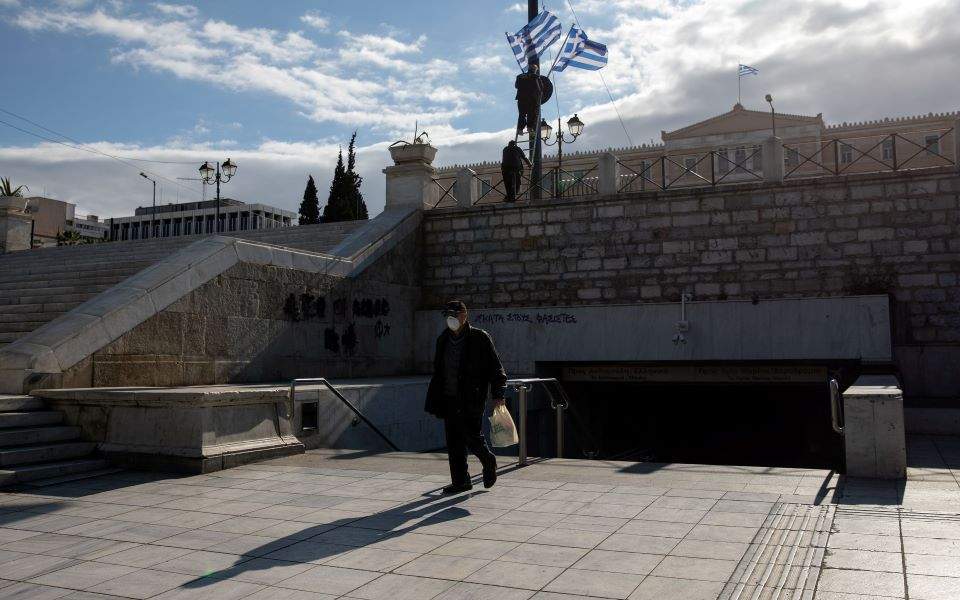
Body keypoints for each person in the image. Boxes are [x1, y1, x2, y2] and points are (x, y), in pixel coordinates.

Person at [424, 300, 507, 494]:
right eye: (447, 316)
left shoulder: (480, 338)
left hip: (471, 397)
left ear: (464, 316)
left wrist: (498, 394)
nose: (450, 319)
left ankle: (488, 461)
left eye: (453, 315)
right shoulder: (443, 339)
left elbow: (496, 368)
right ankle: (461, 481)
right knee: (453, 441)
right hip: (448, 397)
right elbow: (439, 371)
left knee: (472, 436)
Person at [515, 64, 543, 136]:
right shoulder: (536, 77)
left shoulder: (520, 76)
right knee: (531, 113)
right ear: (535, 70)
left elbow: (516, 86)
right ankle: (530, 128)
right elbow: (540, 88)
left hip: (521, 99)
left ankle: (520, 129)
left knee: (522, 114)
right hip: (531, 98)